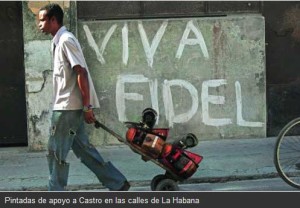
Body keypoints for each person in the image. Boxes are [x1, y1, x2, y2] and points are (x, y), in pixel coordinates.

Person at [37, 3, 130, 191]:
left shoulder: (66, 40)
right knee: (84, 151)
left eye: (42, 20)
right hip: (68, 107)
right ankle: (117, 183)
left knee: (56, 152)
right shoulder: (57, 41)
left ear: (53, 20)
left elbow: (81, 72)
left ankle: (55, 192)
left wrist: (87, 107)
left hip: (67, 110)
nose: (39, 24)